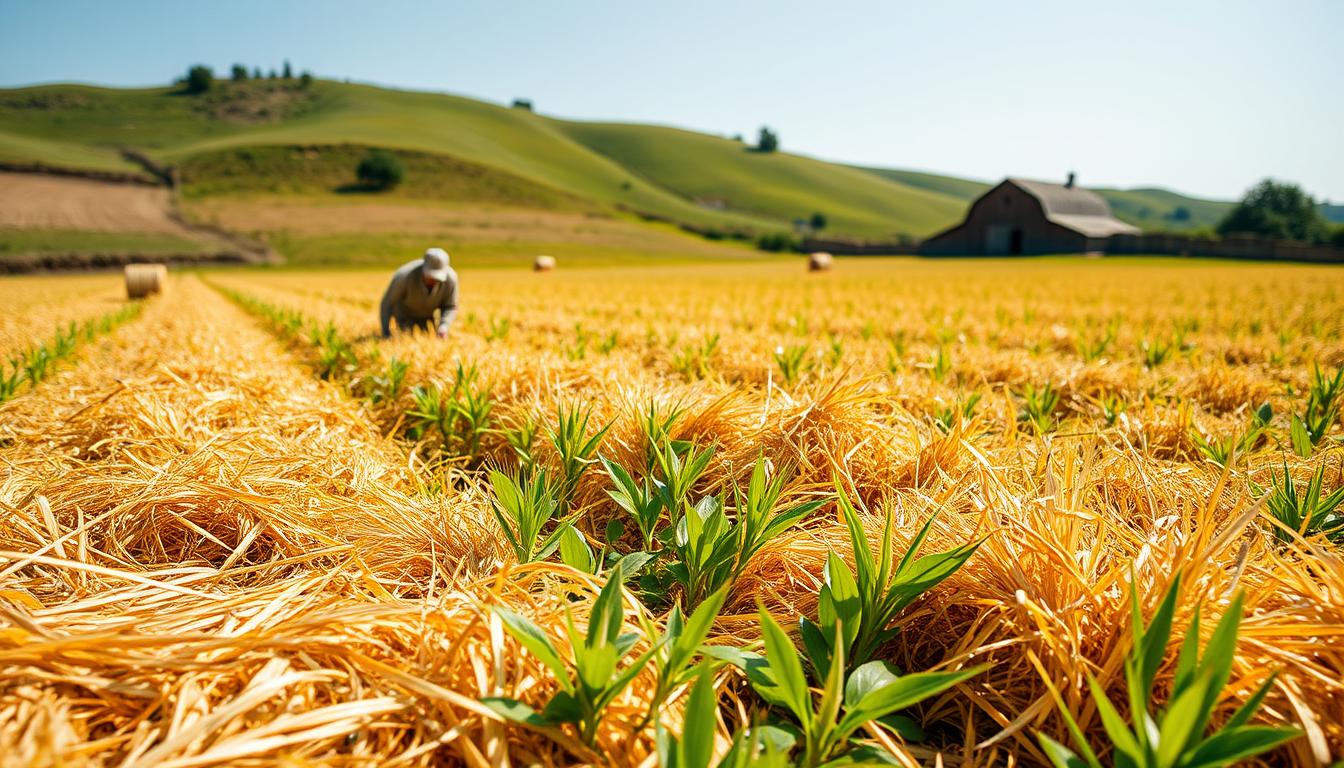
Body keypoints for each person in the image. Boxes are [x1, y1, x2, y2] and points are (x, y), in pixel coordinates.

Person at [379, 248, 459, 339]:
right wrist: (385, 332)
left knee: (428, 337)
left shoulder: (451, 279)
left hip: (428, 318)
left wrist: (444, 326)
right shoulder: (404, 276)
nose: (433, 280)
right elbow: (387, 303)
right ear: (423, 268)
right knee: (405, 336)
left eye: (437, 278)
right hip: (404, 316)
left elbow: (450, 306)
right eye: (430, 276)